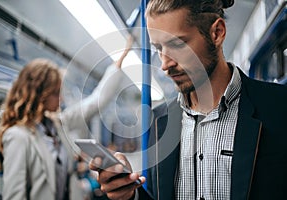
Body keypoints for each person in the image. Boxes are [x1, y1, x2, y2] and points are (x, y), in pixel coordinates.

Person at [90, 0, 287, 199]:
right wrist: (129, 194)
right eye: (158, 48)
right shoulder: (160, 122)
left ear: (217, 33)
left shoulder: (279, 107)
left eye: (177, 44)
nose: (165, 64)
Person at [0, 36, 133, 200]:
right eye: (55, 93)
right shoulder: (18, 136)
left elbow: (97, 101)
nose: (60, 98)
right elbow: (14, 195)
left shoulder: (58, 124)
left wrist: (123, 55)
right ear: (40, 95)